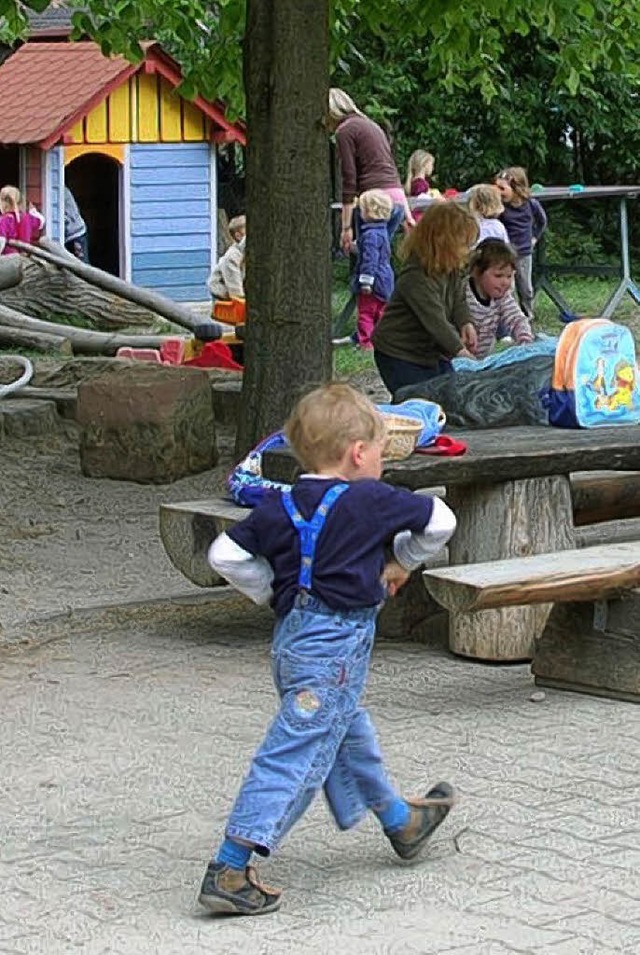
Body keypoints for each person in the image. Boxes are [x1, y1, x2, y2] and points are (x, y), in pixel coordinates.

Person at [199, 382, 457, 916]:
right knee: (297, 751)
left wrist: (270, 591)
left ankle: (400, 822)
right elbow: (441, 521)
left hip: (295, 641)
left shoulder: (281, 502)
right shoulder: (369, 498)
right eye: (381, 452)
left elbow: (224, 554)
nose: (381, 463)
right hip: (336, 647)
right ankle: (230, 865)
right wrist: (403, 561)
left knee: (346, 729)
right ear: (358, 453)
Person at [372, 202, 479, 396]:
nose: (467, 250)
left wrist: (466, 322)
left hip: (431, 352)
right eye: (463, 244)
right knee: (419, 400)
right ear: (442, 241)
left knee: (450, 396)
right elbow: (435, 320)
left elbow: (458, 298)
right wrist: (460, 351)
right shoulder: (416, 277)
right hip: (399, 354)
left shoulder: (451, 267)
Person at [327, 88, 413, 253]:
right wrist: (406, 213)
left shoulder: (344, 130)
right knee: (380, 259)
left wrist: (345, 228)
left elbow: (349, 178)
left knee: (364, 264)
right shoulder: (370, 125)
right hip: (395, 202)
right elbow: (390, 169)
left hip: (374, 203)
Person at [466, 239, 535, 358]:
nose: (505, 282)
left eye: (509, 276)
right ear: (476, 272)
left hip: (482, 362)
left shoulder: (502, 297)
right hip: (457, 362)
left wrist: (524, 338)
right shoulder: (464, 295)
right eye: (498, 276)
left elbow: (516, 318)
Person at [494, 166, 547, 317]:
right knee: (507, 288)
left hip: (524, 253)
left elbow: (542, 221)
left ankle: (527, 315)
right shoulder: (501, 207)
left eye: (502, 188)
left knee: (525, 287)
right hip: (506, 253)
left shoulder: (531, 204)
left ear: (516, 188)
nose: (498, 192)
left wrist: (534, 237)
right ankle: (512, 318)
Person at [352, 189, 395, 349]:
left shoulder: (370, 234)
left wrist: (365, 281)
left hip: (374, 279)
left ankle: (366, 342)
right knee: (381, 312)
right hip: (386, 278)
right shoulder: (382, 231)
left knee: (366, 313)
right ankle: (384, 339)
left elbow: (370, 259)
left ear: (369, 212)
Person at [208, 216, 246, 300]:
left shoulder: (244, 252)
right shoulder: (232, 255)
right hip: (220, 287)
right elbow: (233, 281)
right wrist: (239, 297)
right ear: (238, 236)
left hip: (235, 285)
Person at [0, 186, 44, 255]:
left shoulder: (4, 220)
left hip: (9, 258)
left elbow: (1, 240)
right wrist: (33, 210)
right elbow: (41, 221)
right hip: (25, 256)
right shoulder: (27, 218)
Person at [64, 186, 89, 262]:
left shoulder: (63, 193)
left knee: (82, 264)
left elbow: (70, 216)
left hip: (76, 233)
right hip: (69, 236)